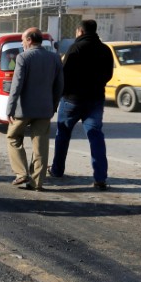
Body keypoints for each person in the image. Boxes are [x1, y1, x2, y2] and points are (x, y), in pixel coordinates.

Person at [49, 19, 114, 190]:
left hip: (72, 100)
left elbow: (64, 75)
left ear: (80, 31)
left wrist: (63, 93)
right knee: (96, 136)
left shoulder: (75, 48)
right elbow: (108, 75)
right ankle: (100, 177)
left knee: (62, 135)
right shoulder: (105, 50)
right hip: (95, 100)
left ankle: (57, 170)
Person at [6, 27, 64, 191]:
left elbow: (16, 85)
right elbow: (59, 86)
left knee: (13, 137)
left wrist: (10, 109)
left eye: (23, 39)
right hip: (45, 109)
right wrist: (53, 106)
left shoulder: (23, 57)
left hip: (23, 110)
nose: (22, 42)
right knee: (41, 145)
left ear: (30, 40)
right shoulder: (54, 58)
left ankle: (21, 173)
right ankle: (37, 182)